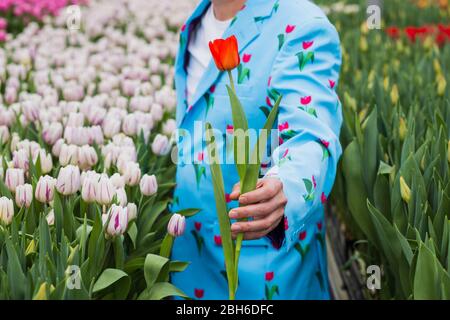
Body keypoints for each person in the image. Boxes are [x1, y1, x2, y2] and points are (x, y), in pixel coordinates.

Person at [170, 0, 342, 300]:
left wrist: (285, 184)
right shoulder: (198, 21)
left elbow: (311, 134)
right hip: (187, 266)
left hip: (259, 278)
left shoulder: (302, 23)